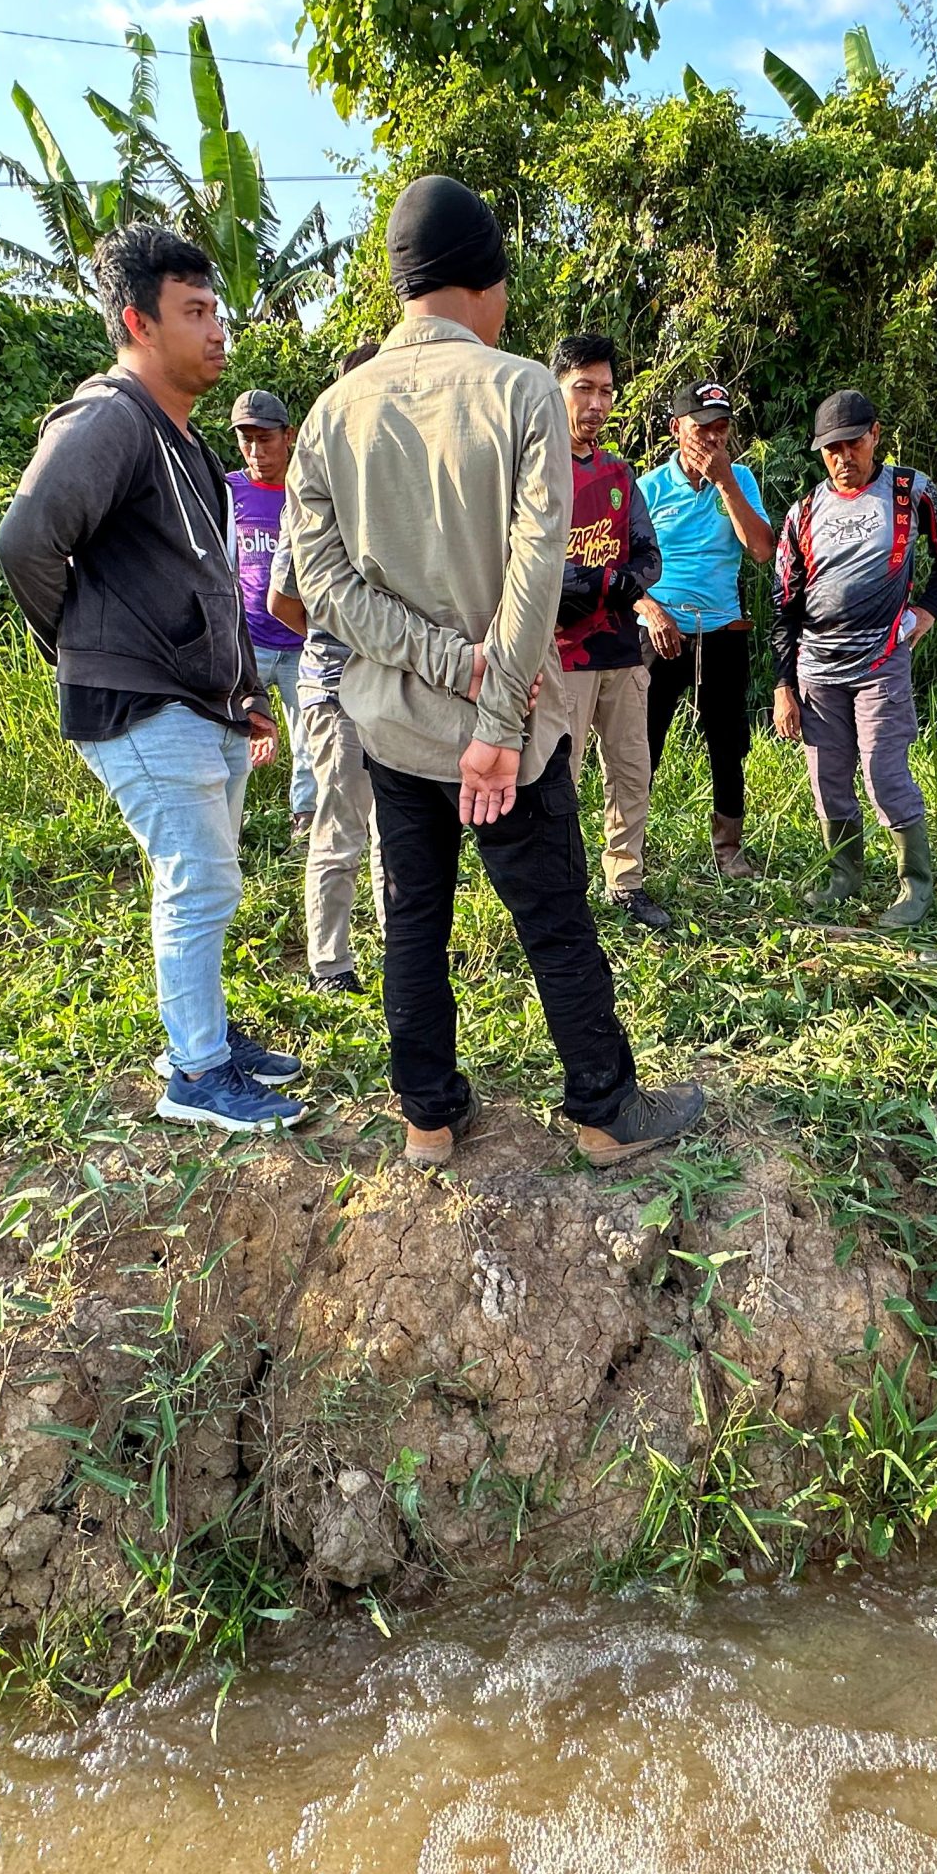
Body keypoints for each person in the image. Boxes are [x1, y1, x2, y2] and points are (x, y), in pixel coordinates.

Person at [285, 174, 704, 1169]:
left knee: (414, 926)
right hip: (507, 736)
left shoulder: (330, 412)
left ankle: (427, 1118)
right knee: (556, 923)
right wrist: (493, 717)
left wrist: (435, 662)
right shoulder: (520, 388)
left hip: (389, 728)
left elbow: (322, 588)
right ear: (487, 282)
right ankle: (602, 1110)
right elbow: (536, 569)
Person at [0, 227, 307, 1133]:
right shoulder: (108, 419)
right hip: (141, 702)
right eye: (195, 313)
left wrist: (244, 688)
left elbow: (210, 583)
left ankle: (202, 1034)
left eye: (217, 311)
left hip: (202, 701)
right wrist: (85, 644)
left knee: (211, 881)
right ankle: (197, 1073)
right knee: (198, 880)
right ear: (137, 320)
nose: (217, 332)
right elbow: (27, 544)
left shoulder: (187, 447)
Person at [770, 390, 937, 928]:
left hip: (881, 659)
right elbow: (784, 601)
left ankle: (915, 884)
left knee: (883, 772)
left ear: (875, 435)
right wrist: (783, 684)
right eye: (830, 449)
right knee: (827, 778)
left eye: (852, 444)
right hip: (816, 669)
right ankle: (844, 875)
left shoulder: (908, 491)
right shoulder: (804, 512)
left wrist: (927, 609)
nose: (842, 458)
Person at [262, 342, 386, 994]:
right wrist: (342, 638)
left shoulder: (398, 479)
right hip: (338, 690)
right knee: (341, 827)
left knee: (395, 829)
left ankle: (404, 950)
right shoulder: (315, 484)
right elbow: (281, 599)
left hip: (396, 689)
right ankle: (330, 964)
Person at [546, 334, 669, 931]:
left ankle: (626, 881)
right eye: (583, 390)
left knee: (629, 770)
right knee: (557, 778)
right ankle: (562, 888)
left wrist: (603, 583)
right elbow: (536, 568)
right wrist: (610, 583)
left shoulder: (621, 474)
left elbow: (649, 560)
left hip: (622, 651)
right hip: (561, 655)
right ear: (557, 391)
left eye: (606, 391)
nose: (596, 404)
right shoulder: (535, 471)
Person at [636, 379, 776, 878]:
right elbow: (621, 566)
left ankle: (728, 850)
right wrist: (651, 610)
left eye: (722, 429)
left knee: (728, 739)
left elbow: (761, 550)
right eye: (702, 428)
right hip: (661, 630)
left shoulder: (740, 480)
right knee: (644, 739)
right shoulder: (648, 488)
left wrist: (726, 483)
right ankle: (630, 848)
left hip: (722, 628)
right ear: (677, 429)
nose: (713, 440)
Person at [226, 388, 317, 835]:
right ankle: (228, 825)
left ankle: (307, 818)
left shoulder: (311, 489)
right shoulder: (230, 492)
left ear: (289, 436)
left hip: (303, 640)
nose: (256, 451)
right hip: (249, 642)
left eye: (265, 439)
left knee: (310, 738)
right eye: (246, 440)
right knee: (233, 734)